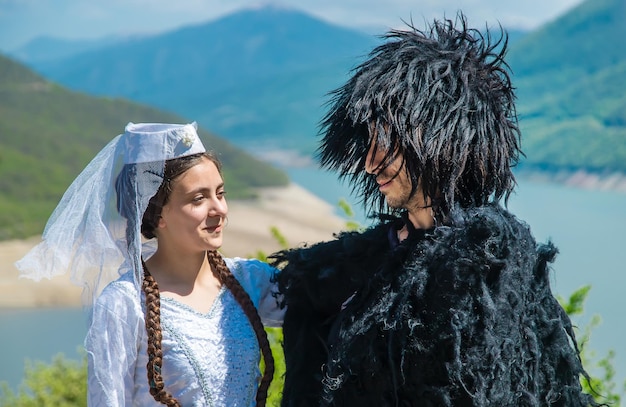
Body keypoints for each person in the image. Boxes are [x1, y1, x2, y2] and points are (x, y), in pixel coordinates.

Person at [270, 14, 599, 407]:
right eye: (368, 144)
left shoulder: (488, 262)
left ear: (441, 143)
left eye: (386, 144)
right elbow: (289, 289)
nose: (370, 163)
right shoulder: (365, 260)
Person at [16, 122, 282, 406]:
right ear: (157, 214)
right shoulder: (123, 305)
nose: (219, 209)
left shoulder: (250, 279)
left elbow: (326, 308)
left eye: (220, 193)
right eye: (199, 199)